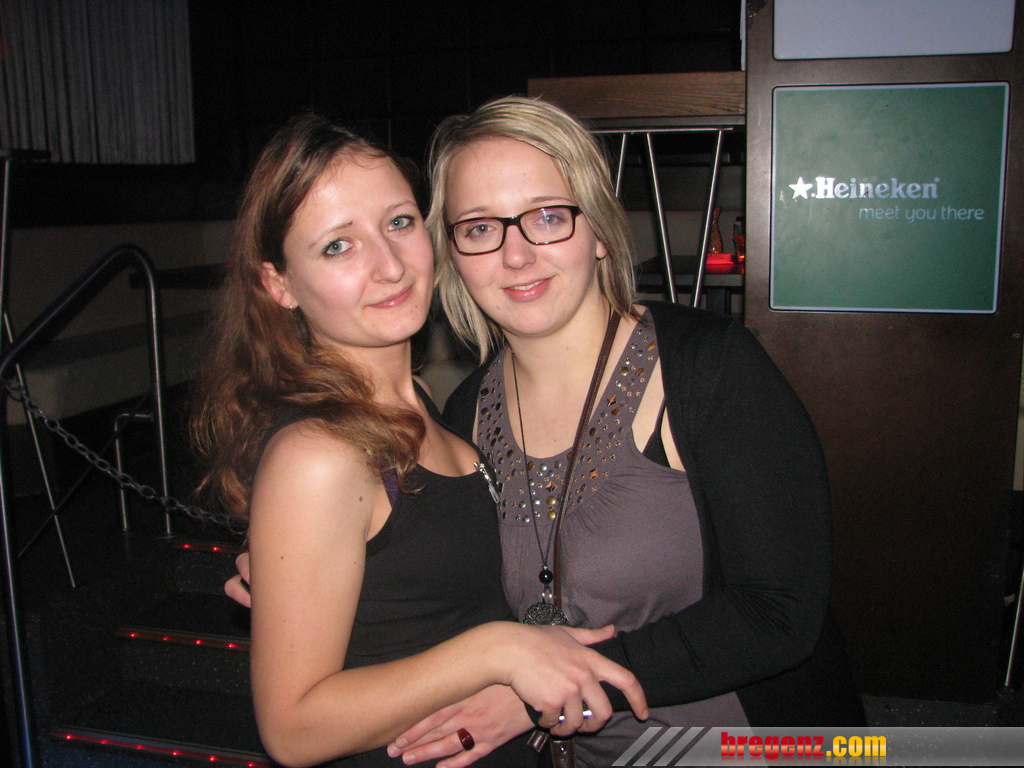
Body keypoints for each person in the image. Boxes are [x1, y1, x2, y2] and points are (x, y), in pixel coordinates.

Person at [226, 98, 866, 768]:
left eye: (548, 217)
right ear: (453, 252)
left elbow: (779, 612)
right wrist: (302, 573)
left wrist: (539, 690)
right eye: (480, 228)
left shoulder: (709, 369)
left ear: (599, 230)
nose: (517, 255)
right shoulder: (468, 413)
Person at [193, 111, 647, 768]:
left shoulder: (435, 406)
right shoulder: (318, 454)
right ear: (279, 284)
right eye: (338, 246)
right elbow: (292, 731)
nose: (389, 266)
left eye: (399, 223)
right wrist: (498, 651)